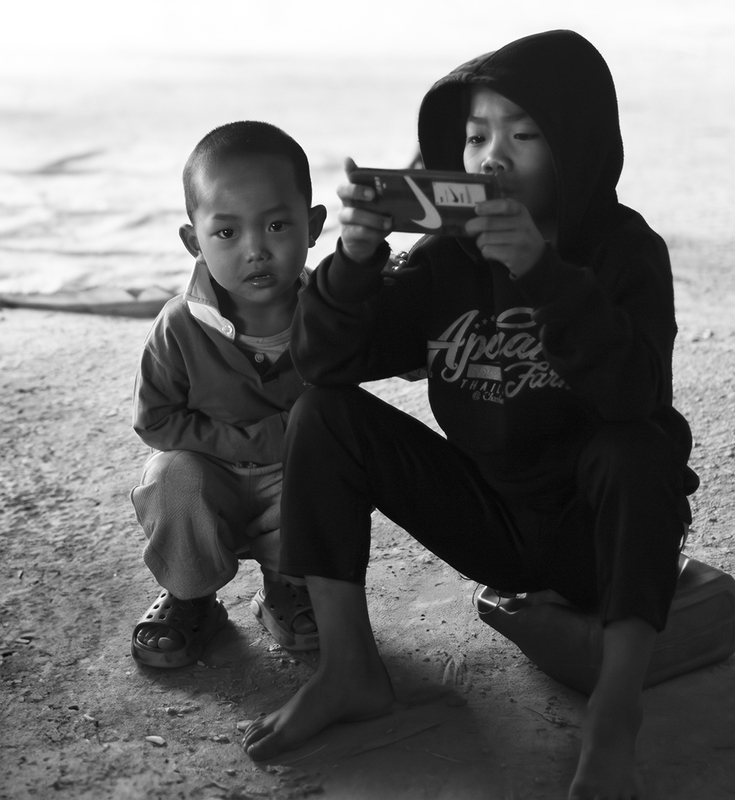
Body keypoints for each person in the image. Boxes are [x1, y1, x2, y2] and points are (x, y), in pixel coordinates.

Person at [243, 31, 698, 799]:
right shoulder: (447, 260)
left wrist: (542, 274)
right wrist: (353, 263)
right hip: (494, 518)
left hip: (603, 530)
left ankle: (615, 710)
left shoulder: (625, 251)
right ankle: (349, 669)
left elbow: (634, 395)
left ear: (577, 146)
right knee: (324, 413)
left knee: (636, 446)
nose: (492, 157)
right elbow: (323, 363)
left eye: (523, 135)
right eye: (476, 136)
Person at [130, 120, 327, 668]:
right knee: (170, 476)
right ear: (193, 241)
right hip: (208, 470)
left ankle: (287, 586)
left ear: (313, 227)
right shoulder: (179, 324)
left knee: (325, 476)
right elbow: (155, 420)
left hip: (289, 473)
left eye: (277, 225)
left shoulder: (327, 314)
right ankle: (190, 597)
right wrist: (251, 441)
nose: (256, 250)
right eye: (226, 233)